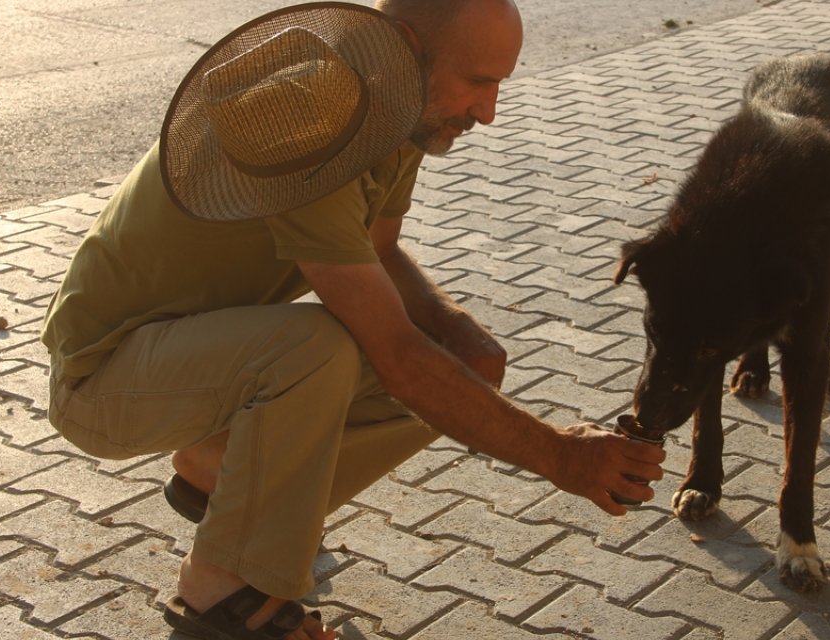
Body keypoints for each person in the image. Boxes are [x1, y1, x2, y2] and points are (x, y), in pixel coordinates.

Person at [41, 1, 665, 639]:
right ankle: (219, 595)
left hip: (197, 361)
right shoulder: (303, 118)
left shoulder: (400, 107)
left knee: (455, 365)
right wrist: (560, 455)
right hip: (103, 378)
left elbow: (379, 247)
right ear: (403, 47)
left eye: (499, 84)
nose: (488, 111)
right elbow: (392, 351)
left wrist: (457, 331)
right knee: (318, 349)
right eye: (479, 80)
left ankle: (218, 478)